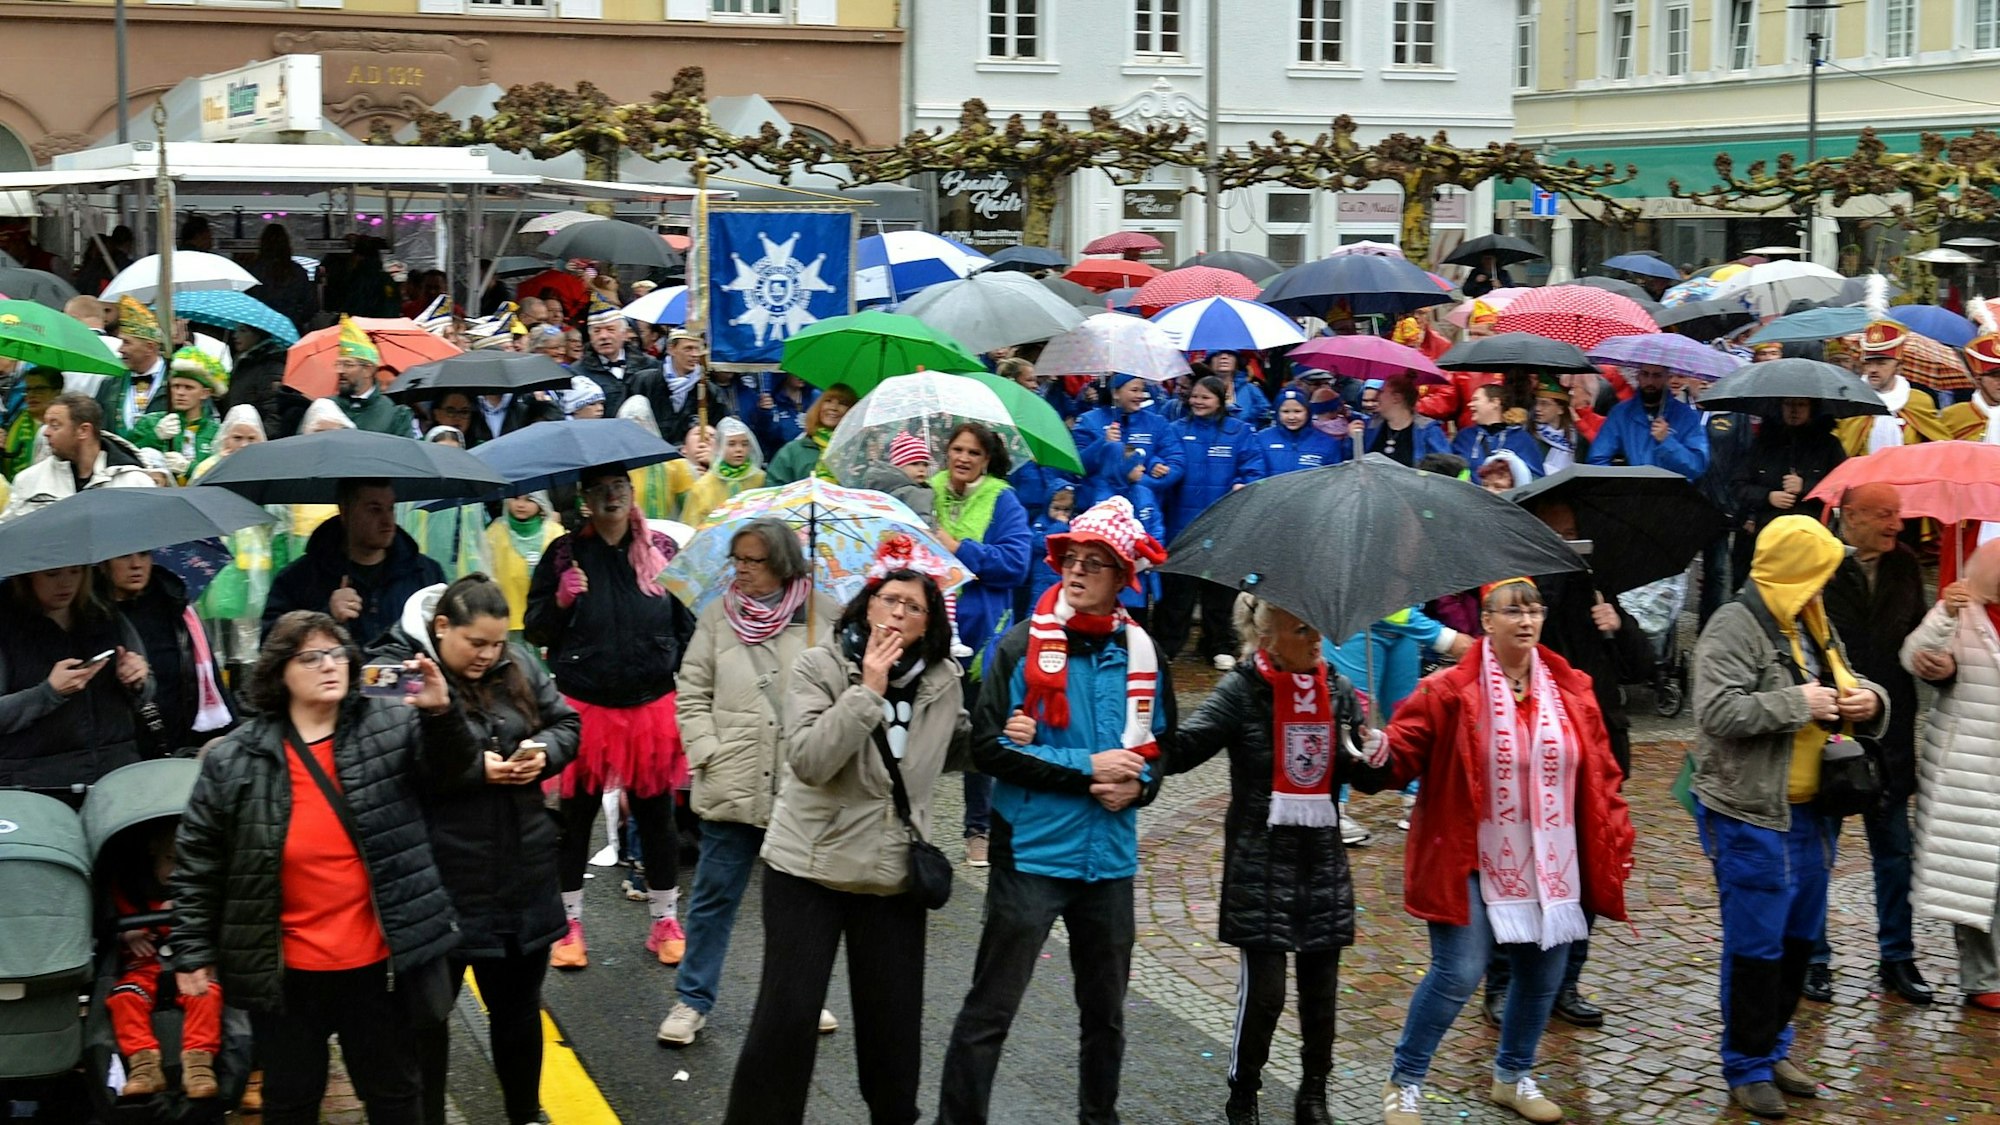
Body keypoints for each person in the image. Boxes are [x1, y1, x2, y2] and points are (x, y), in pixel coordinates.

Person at [169, 610, 476, 1125]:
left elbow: (453, 775)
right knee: (290, 1100)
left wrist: (442, 714)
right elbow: (199, 860)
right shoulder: (235, 759)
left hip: (379, 967)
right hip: (285, 974)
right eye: (310, 657)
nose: (328, 666)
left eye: (336, 654)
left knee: (396, 1097)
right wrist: (192, 950)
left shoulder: (390, 724)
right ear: (278, 672)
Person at [937, 496, 1176, 1125]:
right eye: (1072, 558)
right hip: (1032, 858)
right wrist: (1088, 769)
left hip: (1109, 864)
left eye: (1095, 563)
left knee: (1106, 1018)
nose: (1077, 571)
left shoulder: (1143, 653)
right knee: (991, 1011)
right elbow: (986, 749)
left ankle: (1099, 1118)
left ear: (1123, 577)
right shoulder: (1019, 647)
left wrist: (1140, 787)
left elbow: (1159, 750)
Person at [720, 562, 968, 1125]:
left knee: (893, 1028)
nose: (898, 614)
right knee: (788, 1019)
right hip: (808, 868)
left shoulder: (942, 681)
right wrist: (867, 692)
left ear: (928, 626)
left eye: (913, 607)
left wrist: (1005, 733)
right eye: (889, 600)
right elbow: (808, 759)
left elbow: (943, 752)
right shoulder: (818, 666)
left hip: (892, 872)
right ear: (866, 607)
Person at [1378, 577, 1634, 1125]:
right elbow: (1400, 760)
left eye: (1534, 611)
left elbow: (1601, 771)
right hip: (1469, 853)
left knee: (1543, 975)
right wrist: (1377, 743)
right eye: (1511, 611)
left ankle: (1513, 1075)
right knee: (1459, 971)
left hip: (1551, 858)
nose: (1526, 621)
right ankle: (1406, 1081)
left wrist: (1615, 836)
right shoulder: (1447, 691)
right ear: (1485, 622)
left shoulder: (1571, 688)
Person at [1164, 596, 1391, 1125]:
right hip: (1259, 864)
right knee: (1264, 997)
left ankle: (1313, 1094)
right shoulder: (1242, 690)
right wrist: (1149, 714)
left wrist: (1376, 750)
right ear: (1268, 637)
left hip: (1321, 862)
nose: (1316, 641)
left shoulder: (1336, 690)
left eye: (1317, 631)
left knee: (1322, 994)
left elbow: (1365, 778)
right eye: (1302, 630)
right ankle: (1243, 1094)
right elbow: (1183, 750)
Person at [1690, 515, 1887, 1118]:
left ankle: (1773, 1045)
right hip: (1751, 811)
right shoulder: (1734, 626)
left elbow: (1848, 680)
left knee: (1799, 939)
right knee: (1757, 944)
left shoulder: (1811, 624)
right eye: (1818, 574)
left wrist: (1868, 700)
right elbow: (1716, 711)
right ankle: (1745, 1064)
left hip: (1811, 812)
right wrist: (1795, 703)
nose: (1824, 588)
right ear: (1792, 573)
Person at [371, 578, 581, 1125]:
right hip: (440, 881)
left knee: (518, 1011)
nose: (488, 656)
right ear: (442, 628)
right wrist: (475, 768)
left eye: (496, 645)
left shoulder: (517, 664)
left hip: (521, 872)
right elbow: (397, 758)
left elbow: (567, 722)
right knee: (427, 1022)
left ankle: (524, 1112)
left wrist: (542, 751)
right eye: (475, 644)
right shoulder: (390, 670)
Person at [658, 519, 840, 1047]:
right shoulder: (717, 617)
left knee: (799, 904)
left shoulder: (823, 618)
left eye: (754, 560)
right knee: (714, 897)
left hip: (798, 783)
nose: (741, 569)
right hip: (731, 778)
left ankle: (801, 996)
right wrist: (708, 753)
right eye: (736, 558)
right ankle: (692, 999)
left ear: (783, 563)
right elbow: (690, 694)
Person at [525, 464, 696, 970]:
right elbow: (536, 629)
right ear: (585, 500)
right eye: (600, 491)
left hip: (651, 705)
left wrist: (687, 674)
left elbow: (687, 620)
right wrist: (560, 600)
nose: (611, 497)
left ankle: (665, 920)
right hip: (586, 705)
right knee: (575, 820)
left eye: (618, 488)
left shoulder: (661, 550)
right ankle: (567, 926)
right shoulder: (564, 554)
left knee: (656, 816)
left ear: (631, 491)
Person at [1809, 483, 1932, 1005]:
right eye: (1883, 515)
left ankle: (1897, 958)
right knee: (1819, 853)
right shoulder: (1816, 560)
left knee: (1895, 853)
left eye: (1897, 515)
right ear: (1849, 516)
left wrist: (1936, 653)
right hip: (1827, 732)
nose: (1895, 524)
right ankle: (1812, 957)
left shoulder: (1904, 565)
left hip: (1890, 733)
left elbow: (1917, 636)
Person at [1901, 541, 2000, 1011]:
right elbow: (1916, 655)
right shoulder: (1960, 610)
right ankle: (1982, 978)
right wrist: (1944, 615)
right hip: (1970, 767)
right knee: (1976, 876)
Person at [931, 422, 1034, 866]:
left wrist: (959, 547)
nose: (964, 458)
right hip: (927, 634)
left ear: (987, 459)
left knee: (978, 736)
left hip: (980, 640)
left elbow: (1015, 564)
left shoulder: (1002, 500)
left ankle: (979, 828)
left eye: (974, 452)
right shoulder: (925, 490)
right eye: (957, 449)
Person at [0, 565, 154, 788]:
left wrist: (137, 680)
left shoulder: (107, 616)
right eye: (52, 574)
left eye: (76, 571)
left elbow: (146, 691)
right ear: (27, 576)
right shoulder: (6, 628)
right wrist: (49, 692)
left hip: (116, 776)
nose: (66, 583)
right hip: (38, 786)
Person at [106, 820, 223, 1100]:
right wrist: (128, 933)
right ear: (153, 854)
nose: (175, 871)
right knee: (124, 998)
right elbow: (108, 922)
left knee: (207, 995)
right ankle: (144, 1068)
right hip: (142, 968)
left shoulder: (198, 891)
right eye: (170, 860)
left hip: (189, 966)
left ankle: (198, 1069)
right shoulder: (129, 889)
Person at [1158, 375, 1267, 669]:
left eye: (1205, 397)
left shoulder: (1240, 432)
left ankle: (1218, 644)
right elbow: (1166, 462)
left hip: (1224, 524)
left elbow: (1254, 468)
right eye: (1194, 396)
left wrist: (1244, 483)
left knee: (1219, 590)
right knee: (1177, 592)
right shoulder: (1175, 430)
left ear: (1220, 400)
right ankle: (1167, 646)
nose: (1197, 402)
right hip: (1182, 522)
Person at [262, 478, 448, 643]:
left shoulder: (426, 574)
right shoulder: (298, 579)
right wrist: (326, 616)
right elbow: (270, 645)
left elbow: (448, 637)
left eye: (390, 508)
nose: (387, 521)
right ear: (345, 511)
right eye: (374, 510)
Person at [101, 550, 231, 756]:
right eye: (124, 556)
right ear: (103, 563)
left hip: (182, 744)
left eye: (143, 554)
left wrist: (228, 739)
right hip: (124, 751)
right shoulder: (92, 619)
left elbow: (206, 677)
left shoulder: (175, 607)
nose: (136, 564)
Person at [0, 392, 155, 522]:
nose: (46, 432)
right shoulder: (29, 481)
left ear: (83, 431)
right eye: (46, 425)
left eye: (55, 425)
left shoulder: (135, 482)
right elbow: (8, 535)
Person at [1834, 321, 1951, 456]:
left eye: (1881, 363)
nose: (1872, 370)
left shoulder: (1918, 400)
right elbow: (1839, 452)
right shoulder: (1851, 400)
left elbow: (1940, 447)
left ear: (1899, 366)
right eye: (1868, 363)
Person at [1587, 364, 1710, 480]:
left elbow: (1697, 466)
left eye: (1657, 375)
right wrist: (1618, 488)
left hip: (1675, 496)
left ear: (1667, 377)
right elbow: (1598, 458)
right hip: (1634, 495)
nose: (1650, 382)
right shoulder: (1621, 413)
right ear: (1637, 376)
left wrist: (1667, 441)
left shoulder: (1687, 416)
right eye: (1645, 374)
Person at [128, 346, 227, 483]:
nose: (180, 392)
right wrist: (155, 437)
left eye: (188, 387)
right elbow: (129, 458)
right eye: (176, 386)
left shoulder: (218, 433)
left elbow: (221, 475)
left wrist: (189, 468)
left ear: (205, 393)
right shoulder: (150, 422)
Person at [484, 492, 562, 637]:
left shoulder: (555, 533)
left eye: (529, 500)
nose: (520, 505)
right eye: (515, 498)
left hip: (544, 616)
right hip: (507, 614)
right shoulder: (495, 532)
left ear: (541, 503)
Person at [571, 298, 662, 418]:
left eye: (610, 329)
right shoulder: (576, 373)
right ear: (590, 337)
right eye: (597, 331)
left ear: (624, 334)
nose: (603, 336)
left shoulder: (650, 366)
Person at [328, 318, 416, 437]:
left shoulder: (393, 414)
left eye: (348, 365)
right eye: (339, 365)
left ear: (367, 370)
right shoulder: (326, 408)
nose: (340, 371)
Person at [646, 328, 730, 442]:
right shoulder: (646, 382)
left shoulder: (709, 391)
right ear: (671, 349)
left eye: (698, 349)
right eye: (688, 348)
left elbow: (720, 433)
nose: (695, 354)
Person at [678, 416, 766, 526]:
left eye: (744, 444)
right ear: (719, 447)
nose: (739, 449)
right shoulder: (703, 486)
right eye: (731, 444)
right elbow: (691, 526)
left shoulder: (760, 479)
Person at [766, 384, 858, 485]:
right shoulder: (793, 451)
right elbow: (773, 488)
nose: (833, 408)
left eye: (842, 403)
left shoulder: (859, 452)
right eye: (828, 401)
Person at [1355, 374, 1451, 468]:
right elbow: (1352, 463)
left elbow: (1444, 469)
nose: (1376, 396)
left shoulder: (1429, 430)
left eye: (1381, 392)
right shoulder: (1370, 426)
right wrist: (1354, 439)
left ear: (1397, 398)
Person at [1452, 384, 1546, 478]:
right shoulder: (1464, 437)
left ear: (1495, 402)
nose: (1470, 404)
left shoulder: (1521, 439)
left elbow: (1536, 478)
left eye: (1476, 399)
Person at [103, 296, 164, 436]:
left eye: (127, 342)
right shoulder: (110, 383)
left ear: (149, 347)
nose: (120, 349)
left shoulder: (177, 382)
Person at [246, 222, 319, 333]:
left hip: (260, 328)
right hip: (290, 328)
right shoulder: (297, 271)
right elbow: (311, 306)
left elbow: (246, 301)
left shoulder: (253, 270)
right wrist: (295, 318)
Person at [222, 325, 291, 440]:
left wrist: (254, 440)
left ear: (258, 334)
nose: (235, 335)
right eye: (236, 330)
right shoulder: (242, 361)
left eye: (243, 331)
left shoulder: (271, 366)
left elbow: (275, 415)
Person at [1260, 386, 1342, 477]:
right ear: (1277, 413)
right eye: (1285, 411)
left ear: (1308, 412)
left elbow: (1333, 479)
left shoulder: (1327, 443)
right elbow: (1255, 473)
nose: (1291, 417)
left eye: (1297, 411)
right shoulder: (1262, 439)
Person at [3, 364, 60, 478]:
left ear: (57, 392)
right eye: (28, 389)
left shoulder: (66, 427)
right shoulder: (14, 420)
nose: (31, 395)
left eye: (39, 389)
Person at [1530, 374, 1589, 473]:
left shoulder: (1577, 439)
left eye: (1544, 404)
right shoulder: (1530, 435)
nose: (1537, 409)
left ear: (1560, 409)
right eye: (1536, 403)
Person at [1206, 351, 1271, 428]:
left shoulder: (1251, 389)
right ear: (1209, 363)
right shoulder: (1199, 389)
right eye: (1217, 354)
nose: (1224, 357)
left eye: (1230, 354)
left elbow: (1266, 415)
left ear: (1237, 362)